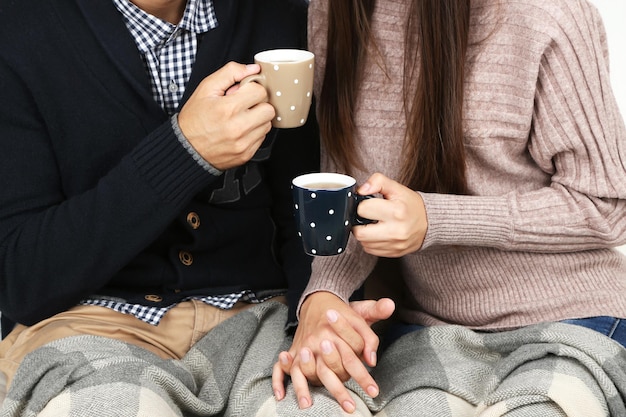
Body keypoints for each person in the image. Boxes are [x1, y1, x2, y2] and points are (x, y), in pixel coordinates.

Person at [273, 0, 626, 415]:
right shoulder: (335, 13)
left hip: (573, 321)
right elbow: (351, 201)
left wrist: (434, 220)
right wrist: (323, 297)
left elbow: (606, 205)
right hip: (437, 331)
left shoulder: (546, 13)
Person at [0, 0, 325, 414]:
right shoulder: (19, 29)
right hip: (90, 324)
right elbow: (20, 279)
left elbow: (308, 201)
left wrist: (319, 310)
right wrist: (185, 149)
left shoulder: (279, 16)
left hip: (262, 322)